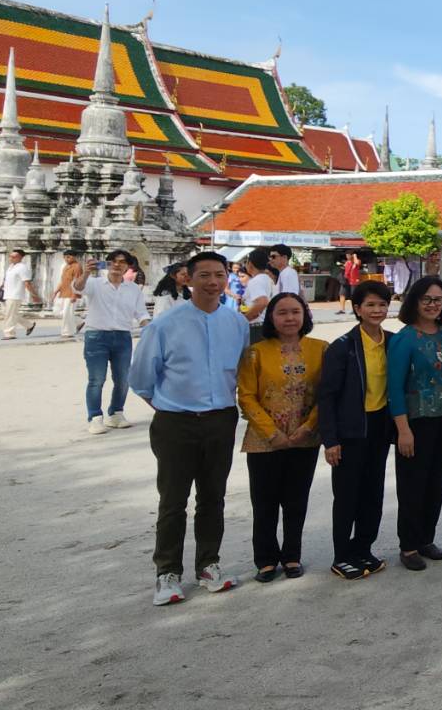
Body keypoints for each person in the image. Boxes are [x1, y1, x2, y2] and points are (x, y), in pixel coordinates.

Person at [129, 251, 249, 606]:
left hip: (220, 420)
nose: (213, 282)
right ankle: (167, 572)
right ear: (188, 278)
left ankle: (209, 564)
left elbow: (241, 370)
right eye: (204, 275)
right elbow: (142, 379)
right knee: (173, 500)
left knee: (213, 497)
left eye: (219, 275)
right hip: (175, 422)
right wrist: (172, 408)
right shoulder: (165, 324)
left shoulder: (237, 324)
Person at [237, 292, 326, 582]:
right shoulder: (255, 353)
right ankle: (265, 560)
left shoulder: (320, 349)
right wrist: (272, 433)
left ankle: (291, 556)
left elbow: (327, 394)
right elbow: (246, 396)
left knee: (296, 501)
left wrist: (308, 427)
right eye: (282, 313)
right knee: (264, 503)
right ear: (271, 318)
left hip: (305, 438)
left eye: (295, 312)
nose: (290, 318)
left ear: (305, 316)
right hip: (264, 441)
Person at [318, 280, 395, 580]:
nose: (377, 310)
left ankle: (363, 547)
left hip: (379, 427)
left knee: (373, 493)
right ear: (357, 309)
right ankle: (341, 555)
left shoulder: (392, 342)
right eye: (370, 305)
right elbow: (327, 396)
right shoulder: (342, 347)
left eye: (382, 304)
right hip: (351, 430)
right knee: (347, 495)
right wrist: (330, 440)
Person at [387, 276, 442, 571]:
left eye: (438, 300)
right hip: (415, 423)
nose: (433, 305)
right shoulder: (404, 339)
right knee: (412, 486)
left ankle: (426, 539)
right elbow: (394, 388)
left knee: (435, 482)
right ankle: (408, 546)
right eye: (427, 299)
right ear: (415, 302)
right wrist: (403, 430)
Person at [73, 250, 149, 435]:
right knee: (97, 379)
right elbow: (77, 288)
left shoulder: (133, 289)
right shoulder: (95, 283)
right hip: (97, 336)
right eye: (113, 261)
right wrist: (86, 272)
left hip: (122, 336)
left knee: (123, 379)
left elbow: (141, 313)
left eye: (122, 262)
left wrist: (151, 330)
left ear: (128, 266)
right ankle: (95, 417)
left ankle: (116, 413)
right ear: (107, 264)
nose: (117, 265)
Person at [0, 248, 40, 339]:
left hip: (15, 295)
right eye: (10, 256)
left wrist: (34, 295)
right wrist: (1, 288)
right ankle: (29, 325)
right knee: (9, 314)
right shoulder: (11, 267)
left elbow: (27, 283)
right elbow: (6, 280)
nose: (11, 258)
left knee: (9, 315)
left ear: (20, 257)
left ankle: (9, 333)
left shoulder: (22, 268)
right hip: (7, 293)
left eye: (14, 257)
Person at [241, 249, 274, 327]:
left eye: (246, 262)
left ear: (250, 263)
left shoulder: (256, 281)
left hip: (255, 325)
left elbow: (262, 302)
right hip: (264, 323)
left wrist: (244, 319)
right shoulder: (268, 279)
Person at [53, 250, 80, 338]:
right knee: (59, 312)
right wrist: (56, 291)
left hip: (72, 293)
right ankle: (79, 322)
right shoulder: (65, 267)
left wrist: (74, 295)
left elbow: (77, 282)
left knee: (66, 313)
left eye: (69, 257)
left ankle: (67, 332)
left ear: (74, 257)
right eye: (65, 257)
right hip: (64, 292)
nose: (66, 259)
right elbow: (63, 280)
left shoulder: (77, 267)